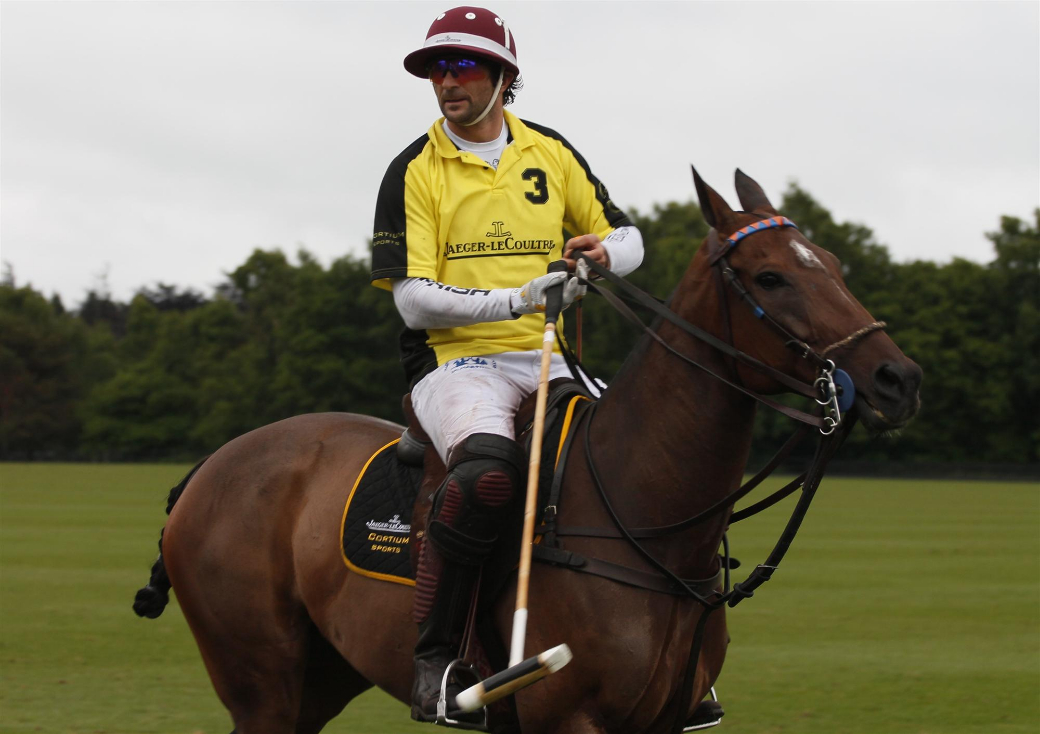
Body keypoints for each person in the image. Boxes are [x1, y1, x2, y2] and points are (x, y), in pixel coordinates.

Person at [370, 5, 643, 722]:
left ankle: (677, 644)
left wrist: (602, 253)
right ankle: (437, 658)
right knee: (488, 473)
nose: (446, 81)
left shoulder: (549, 152)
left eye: (462, 66)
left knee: (644, 452)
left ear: (502, 77)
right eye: (435, 68)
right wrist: (519, 295)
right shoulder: (414, 169)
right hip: (456, 365)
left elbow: (629, 236)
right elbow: (414, 301)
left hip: (550, 355)